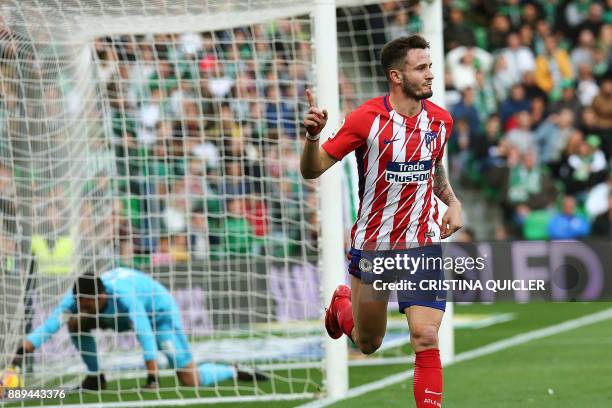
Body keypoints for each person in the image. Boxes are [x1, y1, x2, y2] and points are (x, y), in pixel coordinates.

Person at [300, 35, 462, 408]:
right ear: (396, 76)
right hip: (374, 246)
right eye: (421, 68)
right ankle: (342, 308)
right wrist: (312, 137)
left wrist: (452, 202)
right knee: (369, 343)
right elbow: (313, 169)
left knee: (425, 336)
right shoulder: (365, 119)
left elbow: (433, 169)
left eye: (430, 66)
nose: (430, 75)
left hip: (422, 245)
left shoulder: (441, 121)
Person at [11, 269, 265, 390]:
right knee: (75, 323)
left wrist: (152, 377)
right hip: (117, 319)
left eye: (88, 304)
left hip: (159, 317)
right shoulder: (76, 300)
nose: (84, 307)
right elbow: (51, 325)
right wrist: (23, 350)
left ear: (102, 295)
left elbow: (144, 332)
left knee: (189, 380)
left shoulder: (125, 296)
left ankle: (231, 370)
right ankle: (95, 377)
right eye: (81, 304)